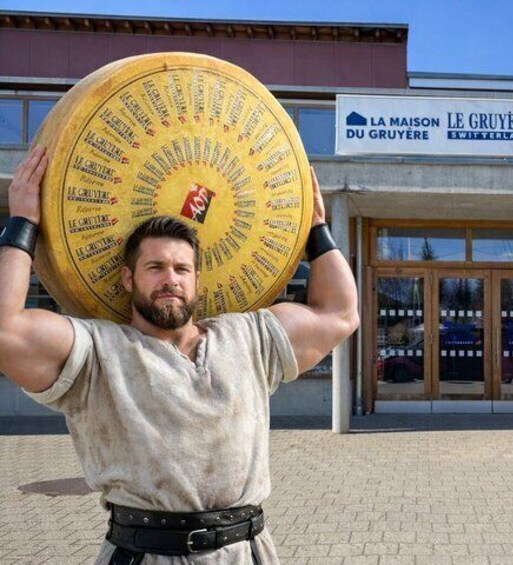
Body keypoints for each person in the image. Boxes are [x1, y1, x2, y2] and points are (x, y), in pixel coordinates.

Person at [0, 145, 359, 564]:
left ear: (197, 280)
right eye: (155, 268)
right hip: (145, 554)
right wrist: (23, 224)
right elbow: (5, 330)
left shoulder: (249, 338)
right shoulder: (96, 353)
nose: (170, 279)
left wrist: (315, 229)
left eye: (181, 269)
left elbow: (340, 313)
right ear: (128, 278)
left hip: (244, 553)